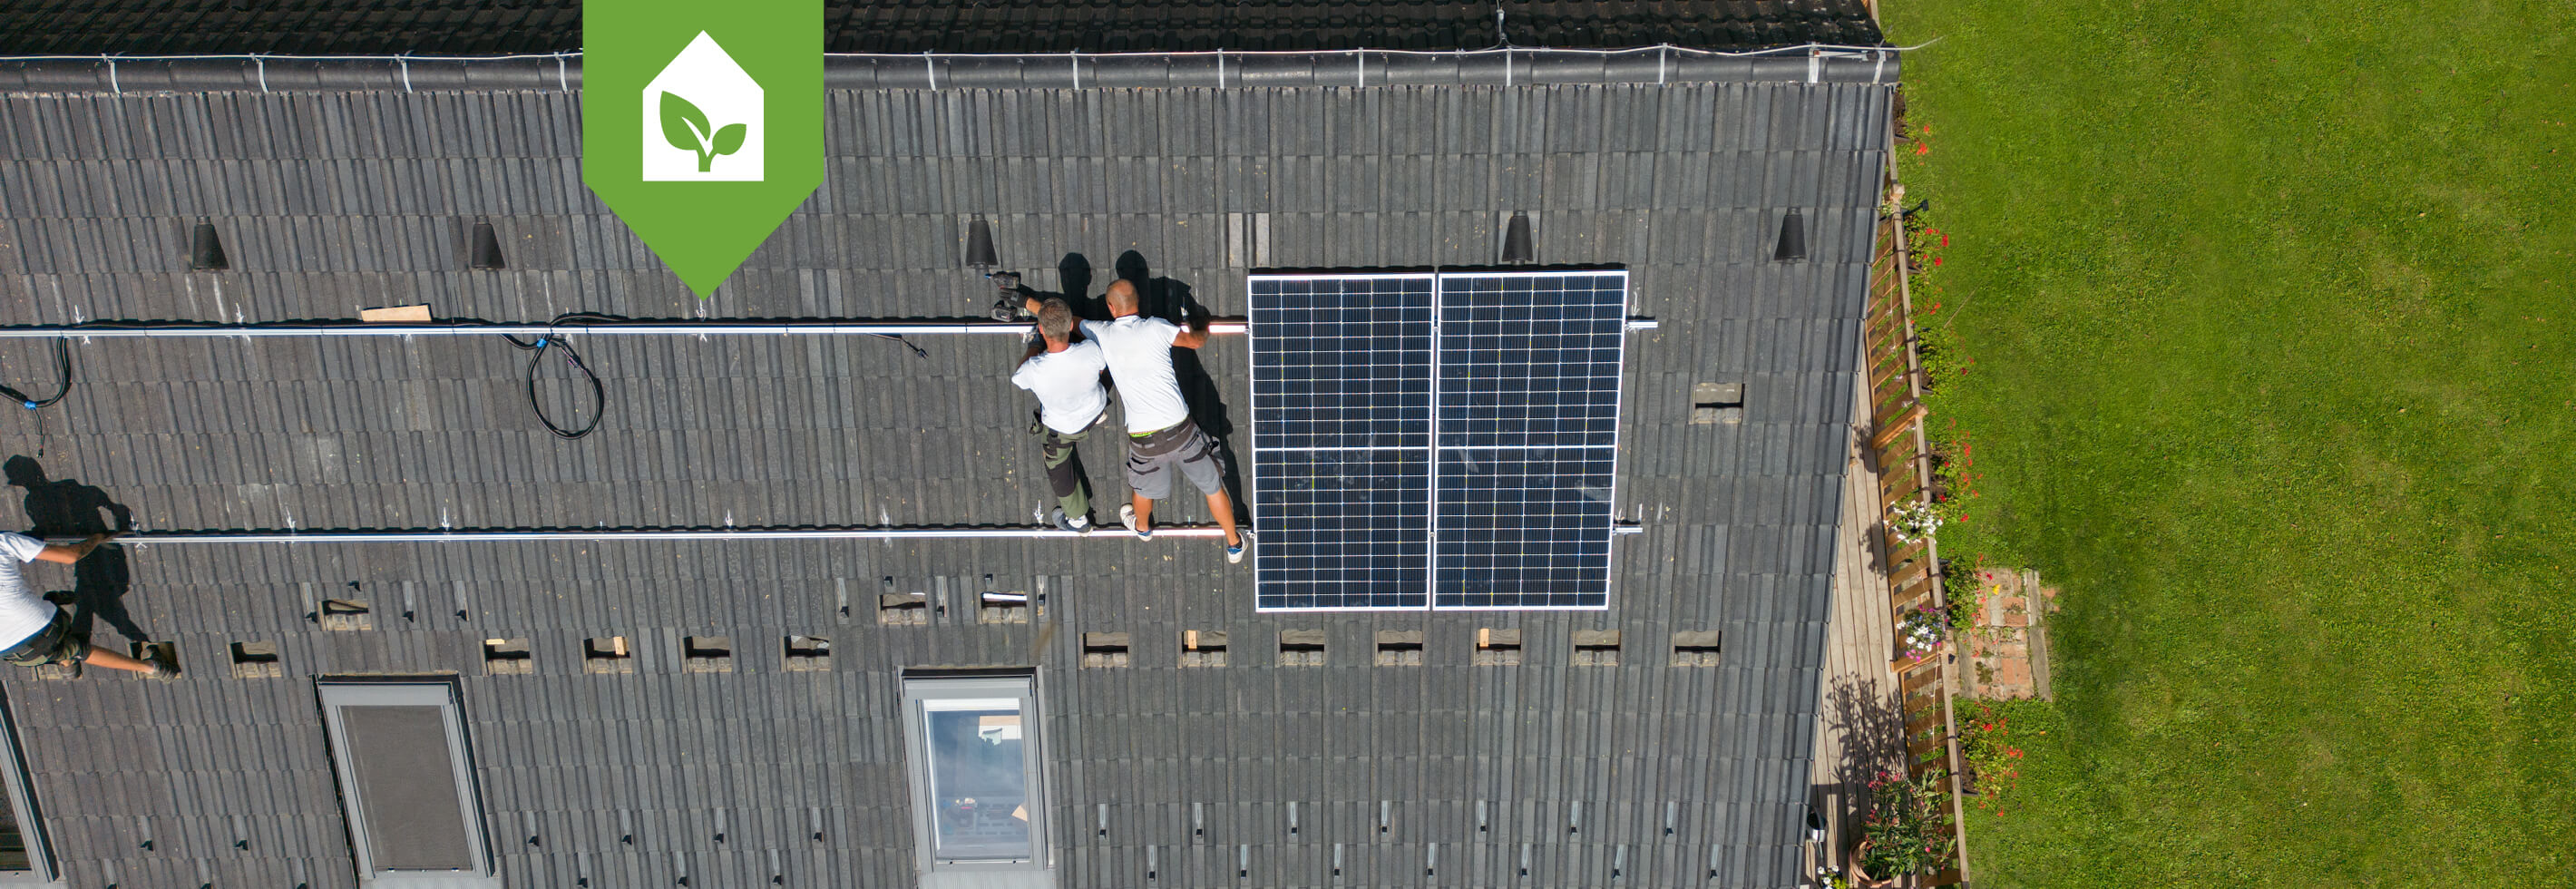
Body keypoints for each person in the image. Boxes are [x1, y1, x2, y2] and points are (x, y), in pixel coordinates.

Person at [1080, 279, 1245, 562]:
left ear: (1110, 307)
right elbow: (1194, 341)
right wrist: (1202, 323)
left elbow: (1066, 322)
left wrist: (1027, 303)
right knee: (1212, 485)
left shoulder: (1101, 332)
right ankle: (1234, 544)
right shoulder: (1156, 327)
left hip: (1145, 442)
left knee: (1143, 488)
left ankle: (1142, 528)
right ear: (1139, 300)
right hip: (1182, 433)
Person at [0, 531, 176, 679]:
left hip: (17, 655)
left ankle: (155, 669)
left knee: (65, 648)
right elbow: (71, 556)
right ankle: (150, 666)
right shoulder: (4, 541)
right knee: (77, 647)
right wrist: (97, 538)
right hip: (46, 625)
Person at [1009, 298, 1107, 532]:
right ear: (1071, 326)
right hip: (1094, 409)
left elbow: (1018, 379)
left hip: (1062, 429)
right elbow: (1102, 367)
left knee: (1057, 466)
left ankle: (1078, 520)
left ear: (1041, 330)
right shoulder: (1092, 349)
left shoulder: (1034, 368)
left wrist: (1033, 347)